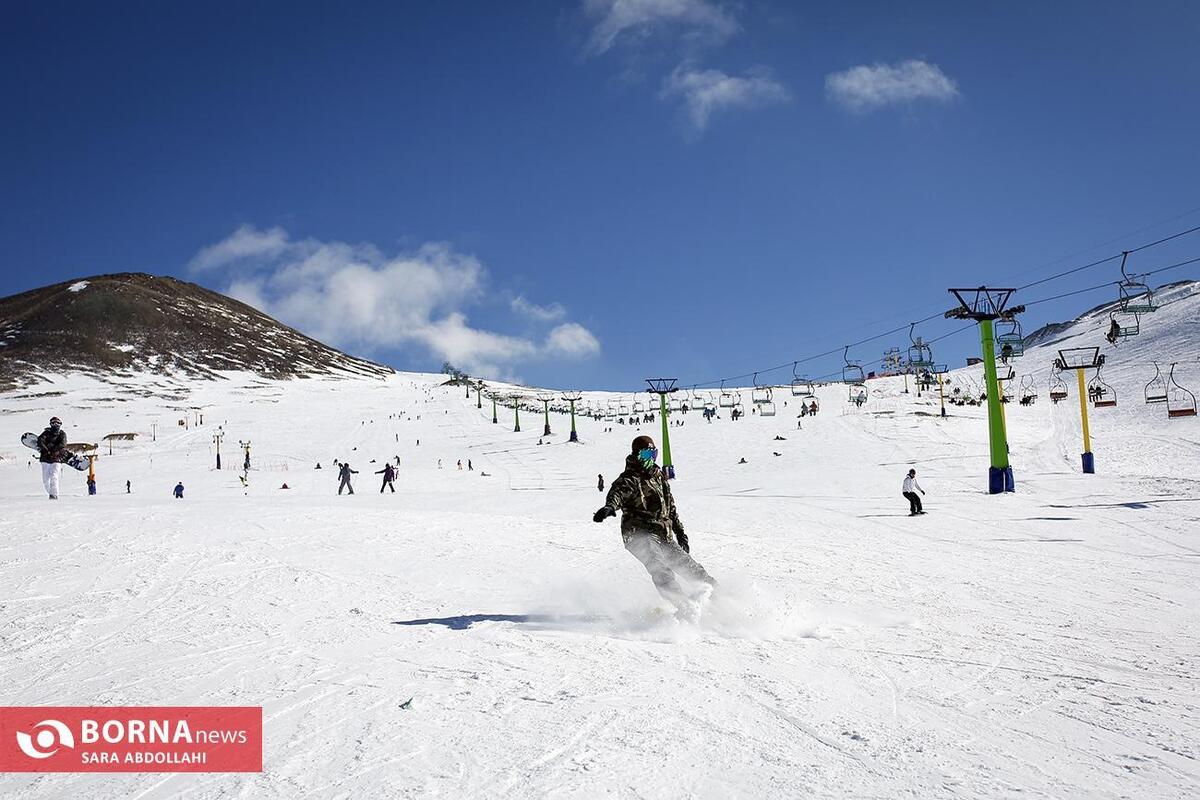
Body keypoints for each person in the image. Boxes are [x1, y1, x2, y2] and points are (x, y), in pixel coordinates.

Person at [593, 436, 716, 621]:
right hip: (638, 535)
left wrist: (680, 532)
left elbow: (670, 506)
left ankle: (724, 601)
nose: (650, 458)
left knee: (693, 569)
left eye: (654, 453)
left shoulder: (658, 476)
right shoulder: (630, 478)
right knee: (660, 567)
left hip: (663, 535)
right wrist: (610, 507)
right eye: (646, 453)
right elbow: (617, 494)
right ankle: (684, 607)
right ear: (636, 454)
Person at [36, 416, 67, 499]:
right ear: (50, 424)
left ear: (60, 424)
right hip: (45, 459)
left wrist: (52, 450)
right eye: (53, 423)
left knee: (54, 476)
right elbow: (40, 441)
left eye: (57, 423)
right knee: (45, 480)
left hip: (57, 459)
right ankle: (51, 493)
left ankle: (54, 495)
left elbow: (62, 444)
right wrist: (46, 450)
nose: (55, 425)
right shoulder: (46, 433)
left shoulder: (62, 434)